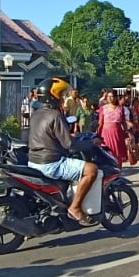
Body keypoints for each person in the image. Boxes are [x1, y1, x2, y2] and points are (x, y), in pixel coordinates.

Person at [28, 78, 98, 224]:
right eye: (59, 95)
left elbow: (48, 136)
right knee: (91, 170)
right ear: (51, 96)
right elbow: (69, 145)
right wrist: (91, 143)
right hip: (51, 163)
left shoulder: (35, 114)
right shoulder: (55, 115)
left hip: (33, 162)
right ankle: (75, 207)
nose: (61, 99)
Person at [97, 90, 129, 166]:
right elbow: (100, 123)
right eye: (109, 97)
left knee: (118, 155)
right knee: (108, 154)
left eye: (112, 96)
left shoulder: (120, 108)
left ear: (115, 97)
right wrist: (97, 135)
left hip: (118, 133)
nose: (110, 98)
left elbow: (123, 122)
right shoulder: (103, 108)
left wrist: (126, 132)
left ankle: (118, 173)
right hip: (106, 134)